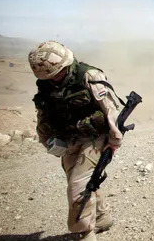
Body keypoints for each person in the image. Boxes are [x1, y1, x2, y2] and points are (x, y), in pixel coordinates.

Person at [28, 40, 124, 241]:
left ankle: (83, 233)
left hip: (95, 137)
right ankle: (102, 217)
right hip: (68, 138)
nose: (54, 80)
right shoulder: (46, 84)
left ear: (66, 65)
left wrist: (114, 140)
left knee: (78, 186)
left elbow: (110, 109)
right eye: (50, 77)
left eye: (57, 74)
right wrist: (47, 141)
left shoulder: (90, 76)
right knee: (80, 179)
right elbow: (43, 115)